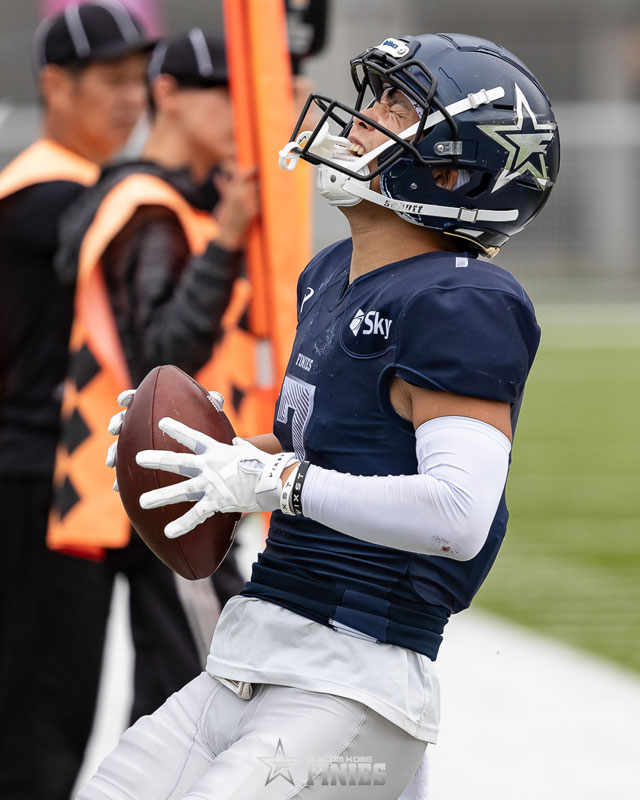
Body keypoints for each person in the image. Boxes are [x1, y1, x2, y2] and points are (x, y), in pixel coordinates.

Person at [82, 32, 559, 799]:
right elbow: (323, 443)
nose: (363, 118)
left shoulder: (461, 300)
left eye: (397, 105)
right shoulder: (332, 274)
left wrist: (276, 483)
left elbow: (457, 513)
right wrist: (204, 459)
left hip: (354, 680)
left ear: (452, 169)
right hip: (249, 657)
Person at [29, 27, 258, 800]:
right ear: (173, 96)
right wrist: (226, 243)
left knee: (174, 700)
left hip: (149, 486)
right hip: (151, 487)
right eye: (223, 92)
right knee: (204, 692)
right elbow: (162, 360)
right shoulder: (145, 208)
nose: (243, 111)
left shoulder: (171, 200)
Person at [0, 3, 152, 799]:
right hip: (36, 479)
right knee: (39, 721)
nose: (133, 99)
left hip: (69, 475)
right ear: (56, 85)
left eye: (140, 80)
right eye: (113, 80)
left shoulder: (84, 190)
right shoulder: (44, 198)